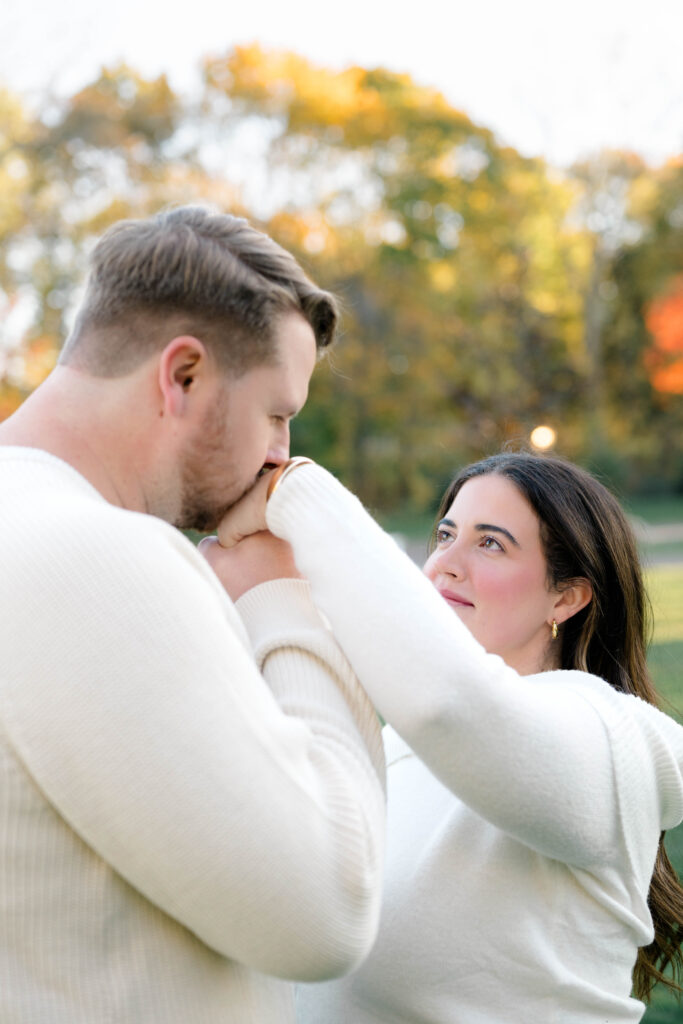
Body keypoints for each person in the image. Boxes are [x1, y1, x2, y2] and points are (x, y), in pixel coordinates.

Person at [0, 206, 386, 1023]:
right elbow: (326, 909)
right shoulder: (98, 558)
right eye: (276, 413)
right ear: (182, 375)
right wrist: (281, 597)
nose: (282, 453)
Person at [207, 450, 683, 1023]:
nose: (444, 566)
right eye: (446, 535)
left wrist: (292, 491)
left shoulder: (615, 741)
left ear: (566, 597)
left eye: (491, 544)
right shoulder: (400, 747)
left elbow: (451, 705)